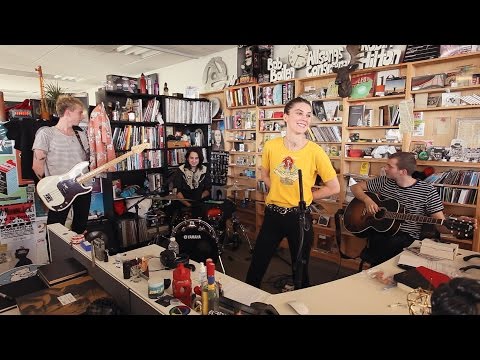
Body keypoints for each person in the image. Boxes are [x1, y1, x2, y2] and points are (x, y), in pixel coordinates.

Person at [245, 97, 340, 289]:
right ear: (285, 117)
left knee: (300, 269)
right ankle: (245, 304)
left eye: (308, 115)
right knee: (258, 263)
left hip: (299, 218)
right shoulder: (271, 146)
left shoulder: (316, 151)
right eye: (299, 113)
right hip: (272, 215)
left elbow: (334, 187)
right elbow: (265, 174)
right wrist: (280, 190)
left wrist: (306, 198)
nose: (305, 118)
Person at [350, 151, 478, 267]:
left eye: (390, 166)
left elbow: (440, 224)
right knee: (379, 241)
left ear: (403, 172)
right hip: (381, 232)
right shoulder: (384, 182)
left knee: (390, 244)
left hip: (407, 239)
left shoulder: (427, 191)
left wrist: (453, 226)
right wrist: (367, 200)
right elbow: (355, 187)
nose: (385, 168)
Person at [32, 95, 90, 235]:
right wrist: (49, 188)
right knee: (55, 230)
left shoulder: (80, 135)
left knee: (80, 229)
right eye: (79, 112)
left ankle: (78, 256)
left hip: (82, 187)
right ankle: (57, 257)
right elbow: (37, 166)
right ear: (68, 112)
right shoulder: (46, 133)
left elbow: (88, 160)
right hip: (59, 190)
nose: (82, 116)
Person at [172, 148, 212, 220]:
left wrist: (198, 198)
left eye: (196, 158)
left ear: (200, 159)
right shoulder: (180, 170)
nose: (194, 161)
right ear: (187, 158)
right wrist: (189, 205)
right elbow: (177, 191)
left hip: (200, 200)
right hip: (183, 201)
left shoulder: (205, 170)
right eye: (191, 158)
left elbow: (207, 190)